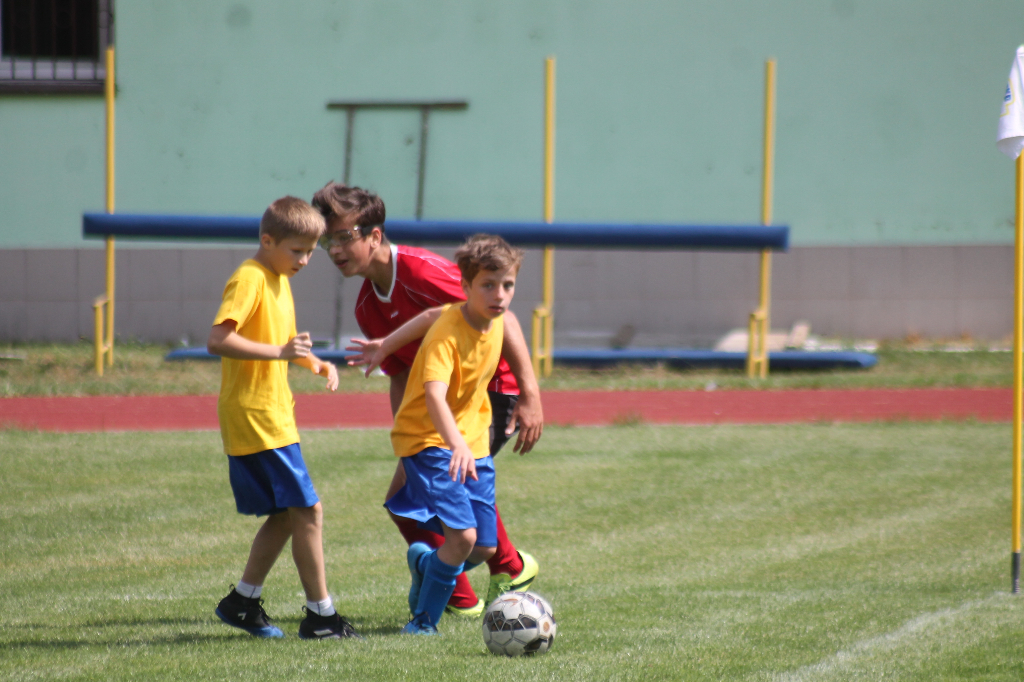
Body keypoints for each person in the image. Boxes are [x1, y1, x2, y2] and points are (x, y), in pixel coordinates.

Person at [311, 182, 543, 617]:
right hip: (443, 409)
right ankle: (474, 584)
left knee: (447, 488)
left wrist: (530, 394)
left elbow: (502, 314)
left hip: (490, 392)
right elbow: (400, 374)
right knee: (404, 501)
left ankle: (488, 578)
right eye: (328, 241)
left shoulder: (420, 272)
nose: (335, 250)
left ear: (374, 235)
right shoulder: (366, 306)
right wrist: (409, 435)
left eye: (344, 237)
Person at [207, 196, 359, 640]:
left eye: (312, 251)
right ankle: (322, 618)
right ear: (267, 239)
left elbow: (284, 342)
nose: (306, 260)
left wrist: (317, 365)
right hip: (256, 415)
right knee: (308, 510)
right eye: (297, 250)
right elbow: (219, 339)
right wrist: (280, 352)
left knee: (288, 515)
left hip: (273, 414)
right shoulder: (250, 278)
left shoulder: (278, 278)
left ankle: (242, 602)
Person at [379, 233, 524, 634]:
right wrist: (455, 443)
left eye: (507, 285)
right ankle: (422, 624)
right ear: (466, 286)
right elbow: (434, 397)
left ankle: (425, 563)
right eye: (488, 285)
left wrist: (384, 345)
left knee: (484, 547)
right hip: (428, 439)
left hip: (471, 440)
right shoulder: (448, 335)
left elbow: (429, 314)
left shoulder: (490, 319)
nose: (499, 295)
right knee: (461, 539)